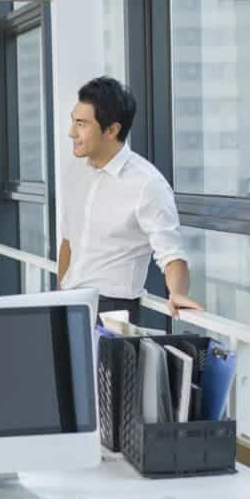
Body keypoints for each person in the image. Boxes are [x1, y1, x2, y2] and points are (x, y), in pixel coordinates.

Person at [59, 77, 202, 323]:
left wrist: (177, 293)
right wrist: (59, 291)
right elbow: (68, 242)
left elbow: (173, 256)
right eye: (73, 121)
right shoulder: (75, 171)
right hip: (68, 303)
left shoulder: (147, 184)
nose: (71, 132)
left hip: (112, 311)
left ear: (112, 130)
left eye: (81, 124)